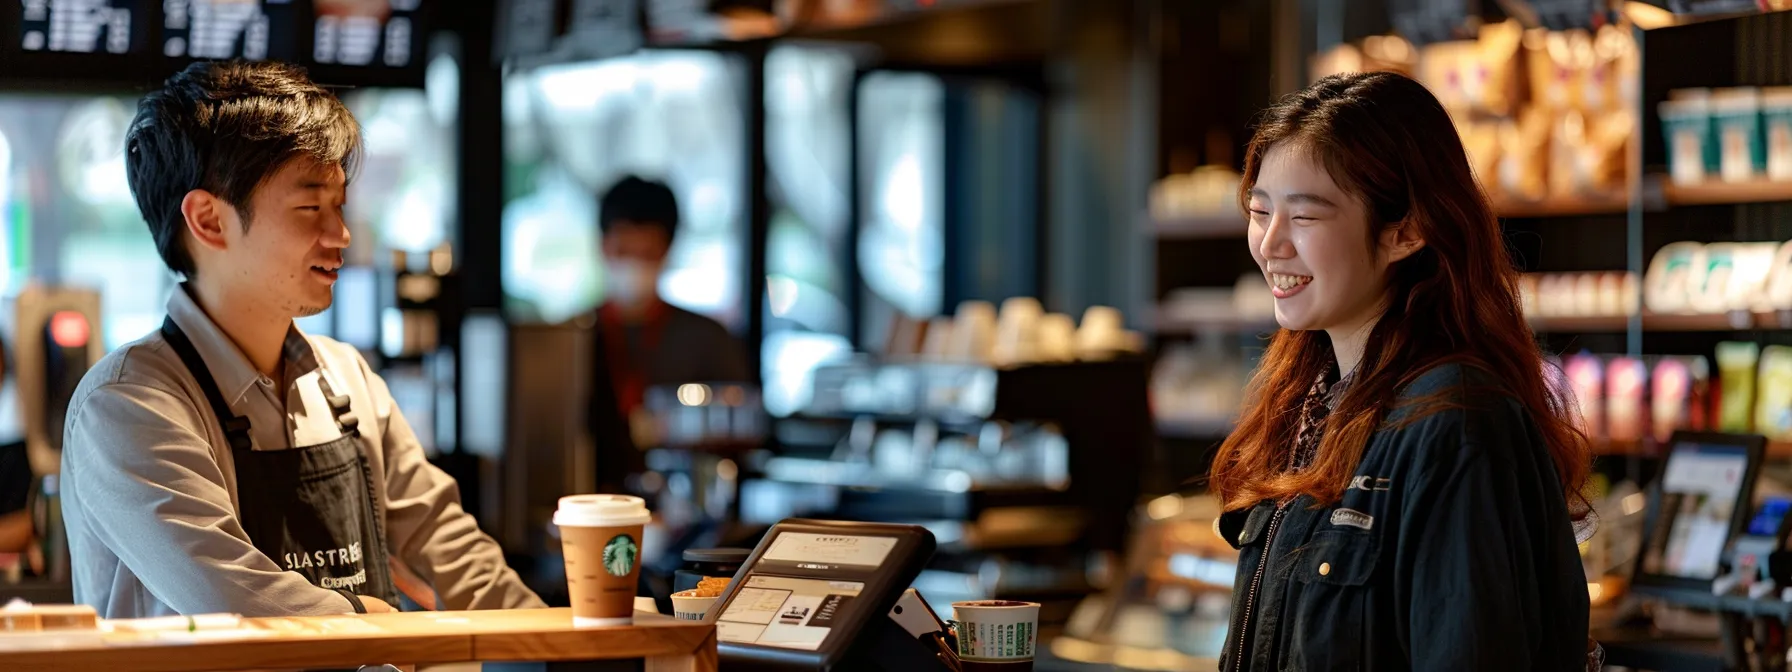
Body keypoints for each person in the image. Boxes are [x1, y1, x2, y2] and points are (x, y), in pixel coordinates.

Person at [60, 61, 545, 618]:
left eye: (339, 206)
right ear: (209, 221)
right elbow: (234, 599)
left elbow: (455, 556)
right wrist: (376, 621)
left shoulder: (348, 380)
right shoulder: (126, 406)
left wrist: (561, 646)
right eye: (310, 208)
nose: (340, 236)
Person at [1208, 71, 1595, 671]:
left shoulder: (1457, 419)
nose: (1271, 244)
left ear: (1406, 230)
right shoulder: (1310, 408)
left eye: (1305, 218)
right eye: (1260, 212)